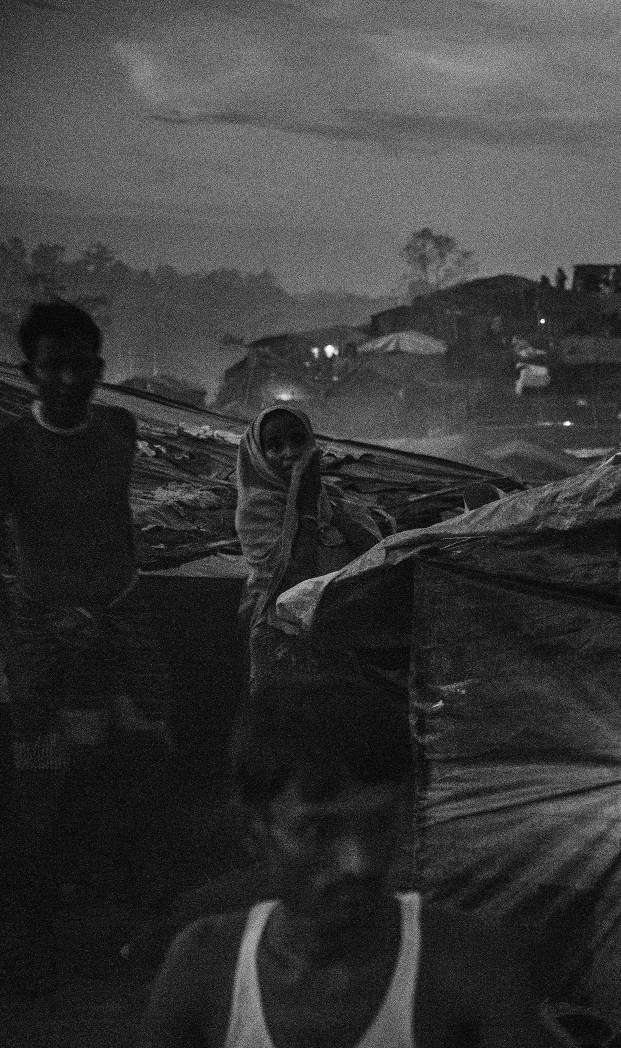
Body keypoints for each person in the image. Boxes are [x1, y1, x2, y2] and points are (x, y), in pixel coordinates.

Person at [137, 686, 553, 1046]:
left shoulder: (469, 964)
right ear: (256, 833)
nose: (361, 863)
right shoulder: (204, 966)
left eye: (380, 822)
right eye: (319, 830)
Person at [0, 300, 158, 993]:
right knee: (41, 778)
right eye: (51, 366)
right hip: (41, 630)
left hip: (122, 617)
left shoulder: (120, 428)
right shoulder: (9, 444)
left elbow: (119, 523)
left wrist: (119, 596)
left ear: (99, 369)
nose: (67, 379)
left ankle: (141, 926)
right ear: (30, 371)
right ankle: (36, 943)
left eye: (80, 365)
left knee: (143, 760)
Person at [234, 406, 379, 694]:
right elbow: (294, 583)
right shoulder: (257, 511)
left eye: (298, 440)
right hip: (285, 643)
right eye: (274, 446)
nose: (289, 453)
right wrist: (306, 508)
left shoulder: (333, 499)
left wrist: (324, 506)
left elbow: (377, 555)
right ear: (258, 458)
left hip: (340, 634)